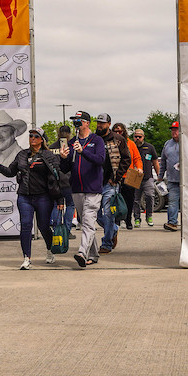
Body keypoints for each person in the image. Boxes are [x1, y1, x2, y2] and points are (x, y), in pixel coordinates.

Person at [0, 129, 67, 269]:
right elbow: (11, 172)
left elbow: (57, 178)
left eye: (36, 136)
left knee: (43, 226)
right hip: (24, 196)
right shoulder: (22, 155)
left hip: (43, 197)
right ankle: (27, 258)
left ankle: (50, 250)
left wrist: (60, 200)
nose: (32, 138)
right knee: (25, 225)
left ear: (42, 140)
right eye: (30, 136)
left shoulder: (48, 155)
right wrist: (0, 167)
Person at [60, 111, 106, 267]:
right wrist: (64, 158)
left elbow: (100, 160)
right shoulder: (71, 141)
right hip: (77, 189)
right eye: (75, 121)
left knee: (87, 221)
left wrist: (83, 151)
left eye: (79, 121)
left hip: (93, 188)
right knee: (87, 223)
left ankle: (82, 252)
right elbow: (65, 168)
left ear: (87, 123)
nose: (76, 124)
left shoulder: (97, 140)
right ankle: (93, 254)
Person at [96, 113, 130, 253]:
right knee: (96, 215)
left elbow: (126, 159)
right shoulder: (94, 139)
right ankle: (113, 230)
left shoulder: (118, 139)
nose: (99, 125)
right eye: (98, 123)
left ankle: (107, 244)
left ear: (108, 124)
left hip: (110, 183)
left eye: (102, 123)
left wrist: (116, 178)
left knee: (109, 213)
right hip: (95, 183)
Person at [114, 122, 143, 230]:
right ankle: (116, 221)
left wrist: (139, 168)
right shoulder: (110, 142)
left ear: (124, 132)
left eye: (120, 131)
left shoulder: (130, 143)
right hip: (115, 176)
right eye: (116, 131)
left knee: (129, 200)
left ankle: (128, 220)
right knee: (115, 200)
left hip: (128, 176)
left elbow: (137, 158)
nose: (118, 133)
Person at [132, 128, 159, 227]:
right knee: (136, 200)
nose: (138, 138)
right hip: (135, 177)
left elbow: (155, 162)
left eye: (140, 136)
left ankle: (149, 216)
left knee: (150, 196)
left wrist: (159, 175)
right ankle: (137, 219)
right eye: (136, 137)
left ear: (143, 137)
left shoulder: (149, 147)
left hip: (148, 177)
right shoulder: (132, 147)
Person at [160, 121, 181, 231]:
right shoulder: (167, 144)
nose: (174, 132)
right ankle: (172, 223)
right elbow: (163, 161)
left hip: (187, 180)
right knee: (172, 201)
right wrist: (160, 176)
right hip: (172, 179)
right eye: (172, 130)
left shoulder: (187, 142)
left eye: (176, 129)